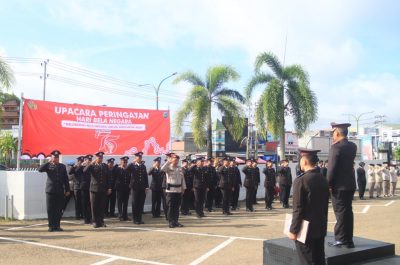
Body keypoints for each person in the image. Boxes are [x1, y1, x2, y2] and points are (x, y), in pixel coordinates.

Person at [288, 148, 329, 265]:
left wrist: (293, 230)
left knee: (307, 261)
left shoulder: (301, 181)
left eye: (300, 160)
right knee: (319, 259)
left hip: (305, 231)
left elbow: (298, 208)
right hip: (320, 227)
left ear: (304, 161)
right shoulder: (323, 179)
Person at [327, 122, 357, 248]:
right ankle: (348, 240)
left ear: (337, 133)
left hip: (339, 186)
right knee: (347, 213)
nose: (332, 135)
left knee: (340, 213)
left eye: (333, 132)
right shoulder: (353, 146)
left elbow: (331, 168)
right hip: (350, 184)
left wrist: (327, 184)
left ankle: (341, 239)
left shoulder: (336, 147)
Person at [38, 150, 70, 232]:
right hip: (50, 190)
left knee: (58, 209)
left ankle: (57, 225)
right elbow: (40, 169)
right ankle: (51, 226)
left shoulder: (62, 166)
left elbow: (65, 179)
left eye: (57, 157)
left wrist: (67, 189)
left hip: (59, 190)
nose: (56, 158)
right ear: (51, 157)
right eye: (55, 157)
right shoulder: (48, 165)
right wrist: (48, 162)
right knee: (50, 209)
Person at [83, 152, 112, 228]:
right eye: (99, 158)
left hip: (103, 189)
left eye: (101, 158)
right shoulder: (92, 166)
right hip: (94, 189)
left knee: (101, 206)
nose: (100, 159)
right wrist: (90, 163)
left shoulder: (105, 166)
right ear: (96, 158)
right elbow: (84, 171)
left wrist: (109, 187)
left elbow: (108, 177)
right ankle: (95, 221)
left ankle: (101, 221)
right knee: (94, 206)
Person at [161, 153, 186, 228]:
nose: (176, 161)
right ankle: (170, 221)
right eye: (175, 160)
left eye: (177, 160)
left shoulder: (179, 168)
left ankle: (176, 221)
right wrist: (168, 161)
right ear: (172, 160)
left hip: (178, 190)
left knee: (177, 207)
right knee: (170, 207)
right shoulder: (168, 167)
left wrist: (183, 188)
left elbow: (182, 179)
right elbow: (162, 169)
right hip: (170, 191)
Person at [127, 152, 149, 225]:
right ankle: (135, 219)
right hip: (135, 187)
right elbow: (127, 169)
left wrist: (146, 186)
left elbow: (145, 177)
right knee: (135, 203)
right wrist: (132, 162)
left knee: (140, 203)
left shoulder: (143, 166)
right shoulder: (132, 166)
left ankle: (139, 219)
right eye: (138, 157)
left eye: (140, 157)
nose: (140, 158)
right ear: (135, 158)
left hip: (142, 187)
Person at [114, 156, 131, 221]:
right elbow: (113, 172)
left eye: (126, 162)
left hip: (126, 188)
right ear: (121, 162)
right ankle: (120, 215)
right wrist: (117, 165)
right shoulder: (118, 169)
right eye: (124, 162)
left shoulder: (128, 170)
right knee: (120, 202)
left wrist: (129, 189)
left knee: (125, 202)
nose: (125, 163)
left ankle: (125, 215)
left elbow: (129, 179)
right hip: (119, 188)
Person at [80, 155, 93, 224]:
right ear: (85, 160)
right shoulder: (82, 167)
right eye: (88, 160)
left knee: (91, 204)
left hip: (91, 187)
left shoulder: (92, 167)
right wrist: (81, 165)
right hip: (84, 187)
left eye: (90, 160)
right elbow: (73, 171)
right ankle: (86, 218)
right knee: (85, 204)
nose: (90, 161)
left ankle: (90, 218)